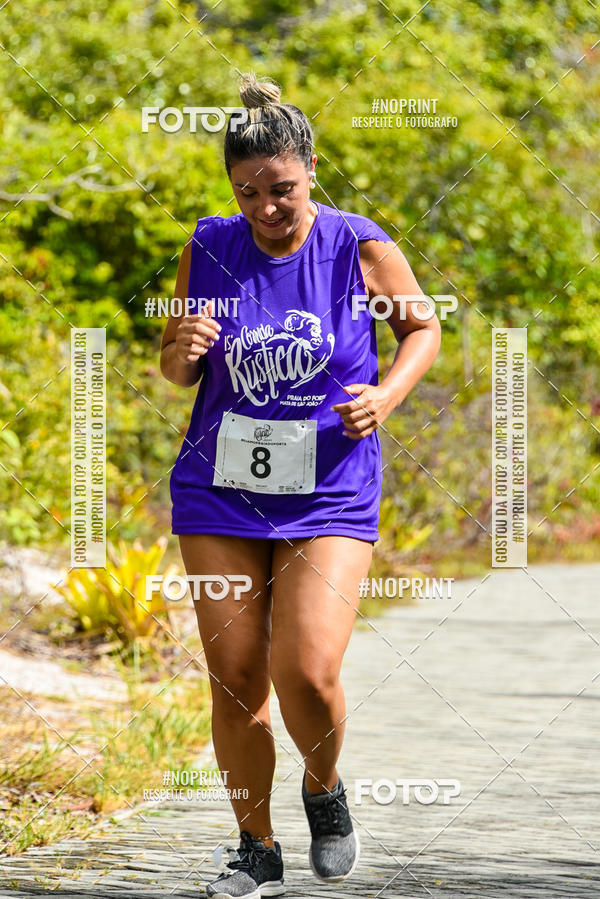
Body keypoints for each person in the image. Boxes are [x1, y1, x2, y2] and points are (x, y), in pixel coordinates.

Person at [160, 73, 441, 899]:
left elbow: (422, 325)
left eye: (281, 189)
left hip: (329, 488)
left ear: (312, 169)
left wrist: (386, 395)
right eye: (248, 193)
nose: (266, 208)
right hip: (219, 487)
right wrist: (181, 343)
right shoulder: (210, 244)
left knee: (306, 671)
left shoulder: (357, 245)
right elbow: (178, 372)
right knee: (237, 673)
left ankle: (325, 789)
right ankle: (255, 845)